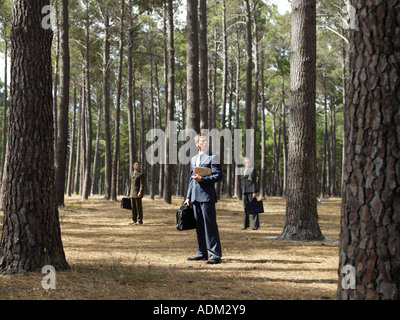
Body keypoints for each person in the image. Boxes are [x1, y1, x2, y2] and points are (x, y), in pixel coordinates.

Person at [185, 135, 223, 264]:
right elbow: (191, 179)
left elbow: (219, 176)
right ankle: (202, 253)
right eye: (203, 141)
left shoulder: (213, 157)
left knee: (210, 226)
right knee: (199, 226)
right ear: (197, 144)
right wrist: (188, 197)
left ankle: (215, 255)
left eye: (207, 141)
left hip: (207, 197)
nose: (205, 142)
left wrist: (203, 179)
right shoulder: (193, 159)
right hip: (195, 197)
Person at [242, 157, 260, 230]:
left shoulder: (252, 170)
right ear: (244, 163)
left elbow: (254, 182)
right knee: (245, 208)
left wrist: (254, 192)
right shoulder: (243, 171)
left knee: (253, 208)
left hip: (251, 191)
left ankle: (255, 225)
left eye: (249, 162)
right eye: (246, 162)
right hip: (245, 191)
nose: (248, 163)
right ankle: (246, 225)